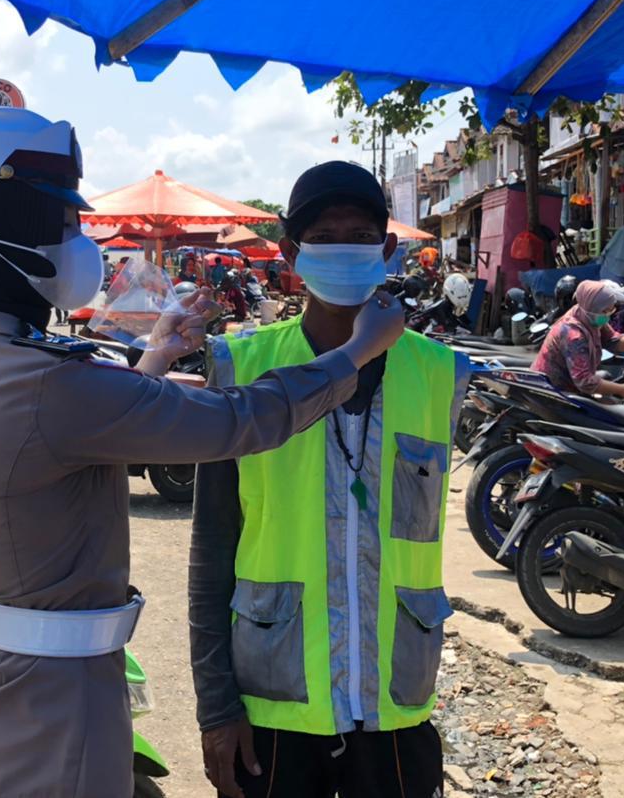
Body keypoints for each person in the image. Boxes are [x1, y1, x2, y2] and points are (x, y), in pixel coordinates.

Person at [0, 107, 404, 798]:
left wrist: (154, 356)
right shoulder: (45, 381)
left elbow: (69, 431)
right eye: (63, 224)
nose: (79, 243)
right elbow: (240, 421)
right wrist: (356, 352)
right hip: (39, 737)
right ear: (1, 235)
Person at [190, 160, 465, 798]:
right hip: (275, 698)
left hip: (396, 703)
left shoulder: (441, 374)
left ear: (387, 249)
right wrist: (216, 706)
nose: (344, 249)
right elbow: (211, 553)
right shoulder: (243, 368)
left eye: (360, 235)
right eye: (325, 236)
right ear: (291, 254)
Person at [531, 279, 624, 400]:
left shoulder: (591, 317)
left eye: (611, 310)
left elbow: (613, 341)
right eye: (605, 311)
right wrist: (622, 389)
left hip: (574, 385)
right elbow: (585, 382)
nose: (608, 315)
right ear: (591, 309)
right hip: (554, 392)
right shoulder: (574, 335)